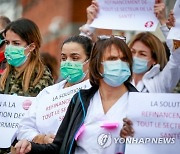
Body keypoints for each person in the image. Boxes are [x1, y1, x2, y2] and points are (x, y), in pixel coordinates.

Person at [15, 35, 138, 154]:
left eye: (124, 59)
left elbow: (152, 144)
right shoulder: (81, 100)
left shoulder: (139, 102)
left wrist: (136, 140)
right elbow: (60, 146)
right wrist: (32, 146)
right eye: (112, 59)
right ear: (97, 64)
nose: (120, 64)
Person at [80, 0, 180, 93]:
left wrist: (163, 22)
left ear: (154, 59)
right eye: (132, 52)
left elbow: (177, 58)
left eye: (142, 54)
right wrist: (90, 24)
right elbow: (79, 56)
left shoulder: (160, 83)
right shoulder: (116, 78)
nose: (135, 57)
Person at [15, 35, 93, 146]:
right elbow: (24, 128)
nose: (68, 62)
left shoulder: (96, 92)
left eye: (75, 58)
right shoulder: (48, 93)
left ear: (90, 60)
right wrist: (41, 139)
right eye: (64, 58)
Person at [0, 18, 54, 154]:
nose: (10, 47)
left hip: (24, 149)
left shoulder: (41, 79)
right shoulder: (4, 75)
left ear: (31, 46)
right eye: (7, 42)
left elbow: (42, 122)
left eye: (16, 43)